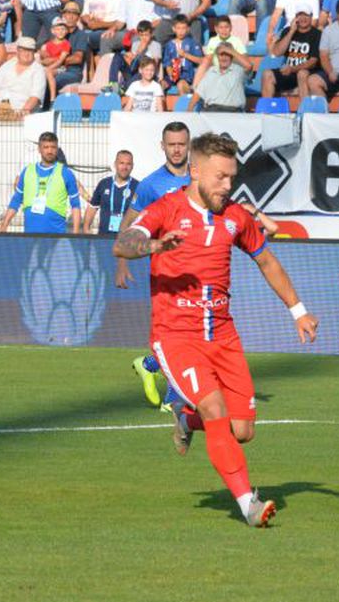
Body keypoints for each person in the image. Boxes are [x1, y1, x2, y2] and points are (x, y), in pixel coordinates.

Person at [113, 131, 320, 527]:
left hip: (223, 337)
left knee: (242, 431)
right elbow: (122, 243)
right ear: (195, 171)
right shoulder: (166, 209)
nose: (227, 186)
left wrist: (299, 311)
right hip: (175, 336)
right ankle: (248, 505)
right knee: (214, 407)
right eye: (220, 177)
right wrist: (155, 246)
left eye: (231, 177)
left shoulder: (236, 217)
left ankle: (185, 419)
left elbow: (266, 262)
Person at [117, 121, 193, 407]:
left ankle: (149, 365)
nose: (176, 149)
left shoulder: (199, 178)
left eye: (181, 144)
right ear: (163, 146)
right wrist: (122, 262)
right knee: (180, 335)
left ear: (189, 145)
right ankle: (173, 400)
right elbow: (129, 222)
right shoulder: (151, 185)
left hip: (197, 269)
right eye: (171, 144)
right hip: (166, 270)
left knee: (191, 336)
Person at [0, 131, 81, 233]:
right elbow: (16, 200)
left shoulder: (66, 173)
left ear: (57, 149)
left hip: (56, 235)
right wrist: (4, 225)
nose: (49, 151)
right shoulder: (27, 171)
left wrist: (76, 233)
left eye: (53, 147)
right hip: (30, 235)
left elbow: (76, 205)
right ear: (39, 149)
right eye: (46, 147)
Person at [262, 3, 321, 97]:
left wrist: (293, 69)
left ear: (311, 17)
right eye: (300, 15)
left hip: (308, 72)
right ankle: (267, 105)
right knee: (267, 74)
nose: (303, 18)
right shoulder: (288, 31)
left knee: (302, 74)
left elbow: (313, 61)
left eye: (306, 15)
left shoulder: (317, 34)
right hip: (289, 72)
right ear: (296, 17)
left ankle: (305, 106)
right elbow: (276, 52)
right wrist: (291, 32)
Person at [0, 36, 46, 119]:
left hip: (20, 112)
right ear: (18, 51)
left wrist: (23, 112)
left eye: (30, 51)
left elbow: (35, 96)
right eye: (23, 50)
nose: (26, 54)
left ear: (34, 52)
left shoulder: (38, 70)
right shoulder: (7, 65)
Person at [84, 149, 139, 234]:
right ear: (115, 164)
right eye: (121, 163)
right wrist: (86, 228)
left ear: (132, 166)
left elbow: (143, 213)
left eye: (128, 164)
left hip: (126, 238)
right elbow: (93, 207)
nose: (125, 167)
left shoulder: (138, 187)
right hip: (103, 237)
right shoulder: (104, 184)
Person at [162, 14, 204, 93]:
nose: (181, 31)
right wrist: (171, 74)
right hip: (173, 74)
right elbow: (167, 64)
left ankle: (185, 100)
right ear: (174, 29)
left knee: (181, 85)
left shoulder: (192, 43)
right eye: (178, 28)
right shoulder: (169, 44)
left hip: (186, 75)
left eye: (183, 28)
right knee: (160, 85)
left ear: (188, 29)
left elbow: (201, 61)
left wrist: (185, 55)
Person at [40, 16, 72, 98]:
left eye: (63, 29)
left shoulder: (66, 44)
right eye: (57, 29)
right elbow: (43, 57)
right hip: (48, 65)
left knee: (49, 72)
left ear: (66, 31)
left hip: (60, 68)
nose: (60, 32)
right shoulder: (48, 44)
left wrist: (49, 68)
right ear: (52, 31)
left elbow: (60, 61)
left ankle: (52, 98)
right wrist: (43, 62)